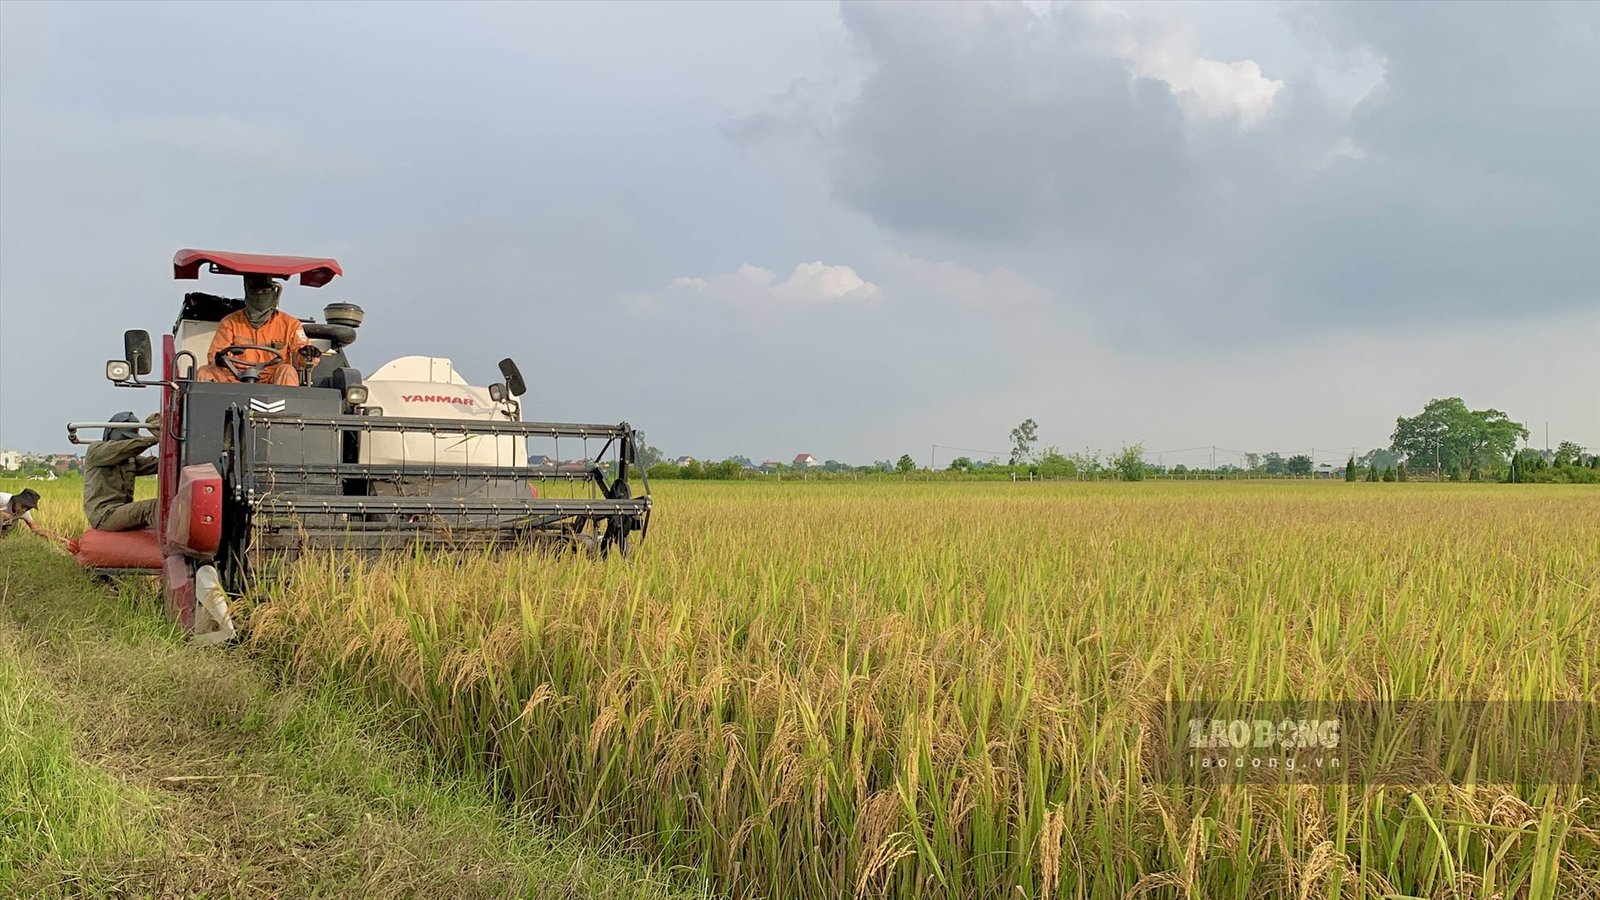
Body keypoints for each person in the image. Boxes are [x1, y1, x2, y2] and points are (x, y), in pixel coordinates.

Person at [194, 274, 316, 385]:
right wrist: (219, 359)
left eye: (265, 291)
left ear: (273, 293)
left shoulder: (290, 324)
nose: (260, 296)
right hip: (235, 380)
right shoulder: (230, 322)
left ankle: (288, 409)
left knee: (287, 370)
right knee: (205, 372)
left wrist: (308, 354)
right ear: (248, 292)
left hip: (272, 382)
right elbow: (215, 353)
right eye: (256, 291)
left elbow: (303, 352)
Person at [82, 411, 162, 532]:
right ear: (111, 432)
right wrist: (154, 439)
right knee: (152, 508)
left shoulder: (129, 460)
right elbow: (125, 449)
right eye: (125, 437)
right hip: (105, 515)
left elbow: (161, 464)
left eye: (130, 438)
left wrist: (168, 435)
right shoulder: (96, 451)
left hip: (121, 511)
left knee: (165, 504)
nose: (127, 441)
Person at [1, 487, 71, 547]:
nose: (24, 510)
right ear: (17, 500)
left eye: (28, 508)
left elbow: (37, 529)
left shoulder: (24, 513)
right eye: (23, 506)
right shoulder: (3, 499)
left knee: (10, 522)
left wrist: (61, 539)